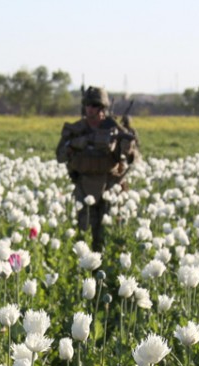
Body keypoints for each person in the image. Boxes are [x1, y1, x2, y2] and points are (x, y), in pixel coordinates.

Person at [56, 86, 139, 252]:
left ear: (102, 108)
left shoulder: (115, 129)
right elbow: (60, 156)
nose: (89, 108)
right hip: (85, 187)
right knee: (86, 234)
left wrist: (127, 148)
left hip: (111, 185)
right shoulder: (76, 130)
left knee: (110, 236)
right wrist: (74, 145)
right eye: (87, 104)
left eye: (94, 105)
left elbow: (134, 157)